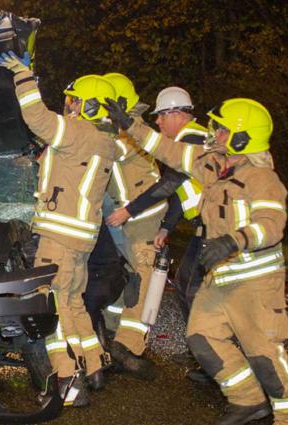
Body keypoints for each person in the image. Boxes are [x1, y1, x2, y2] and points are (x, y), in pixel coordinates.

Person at [106, 98, 288, 425]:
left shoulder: (263, 180)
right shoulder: (212, 163)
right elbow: (167, 150)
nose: (213, 132)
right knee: (201, 338)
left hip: (254, 282)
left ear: (242, 137)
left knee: (265, 357)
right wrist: (132, 127)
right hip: (220, 278)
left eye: (222, 128)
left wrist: (235, 240)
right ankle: (248, 401)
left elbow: (271, 225)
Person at [0, 50, 120, 407]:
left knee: (53, 309)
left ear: (90, 107)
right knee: (74, 304)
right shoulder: (104, 140)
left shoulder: (78, 132)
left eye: (75, 101)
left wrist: (22, 76)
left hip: (58, 238)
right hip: (80, 239)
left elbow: (36, 117)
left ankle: (69, 381)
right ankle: (95, 366)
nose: (69, 106)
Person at [105, 87, 209, 374]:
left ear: (176, 114)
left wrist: (128, 210)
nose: (159, 123)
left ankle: (212, 355)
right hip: (206, 228)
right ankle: (204, 353)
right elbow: (179, 191)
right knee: (189, 288)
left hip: (219, 229)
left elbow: (168, 184)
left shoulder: (193, 139)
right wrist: (167, 226)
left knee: (200, 292)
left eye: (161, 117)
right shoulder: (185, 140)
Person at [98, 73, 167, 381]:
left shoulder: (125, 136)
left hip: (142, 223)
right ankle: (114, 338)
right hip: (134, 220)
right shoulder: (131, 131)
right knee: (126, 280)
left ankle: (127, 346)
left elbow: (102, 153)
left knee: (140, 283)